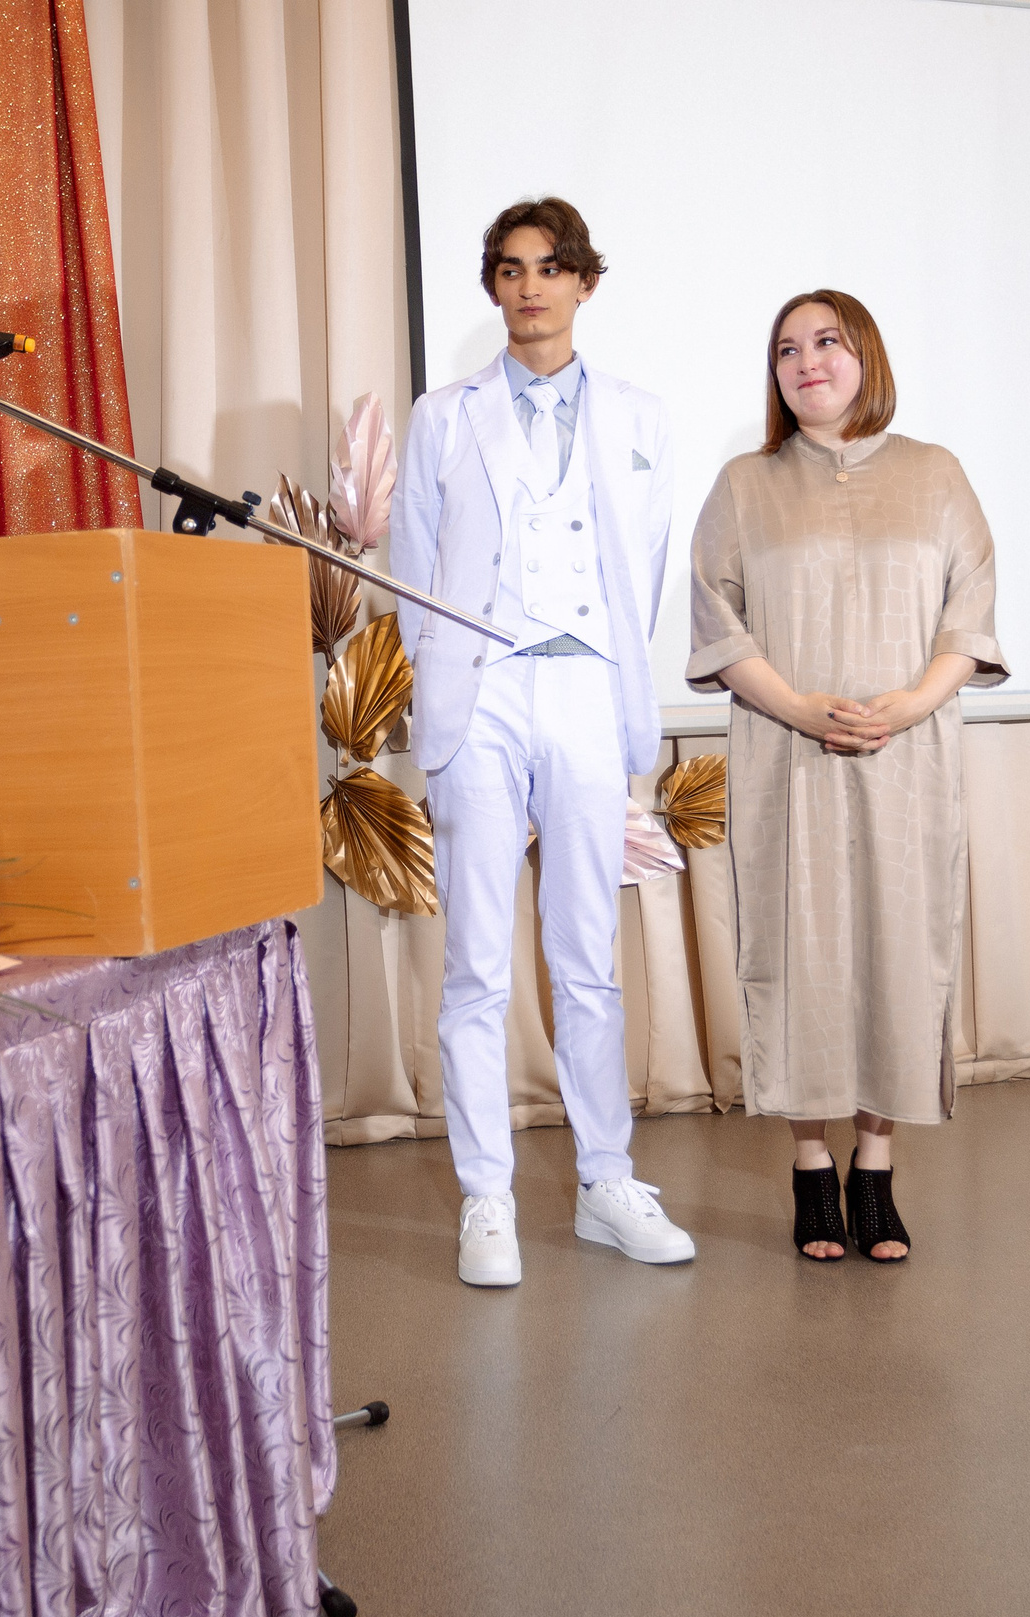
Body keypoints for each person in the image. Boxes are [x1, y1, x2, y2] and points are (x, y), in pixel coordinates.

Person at [388, 198, 697, 1287]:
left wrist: (613, 679)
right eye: (511, 270)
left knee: (587, 961)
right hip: (481, 695)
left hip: (583, 687)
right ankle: (486, 1199)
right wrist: (440, 705)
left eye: (549, 268)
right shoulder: (443, 416)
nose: (529, 287)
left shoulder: (639, 416)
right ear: (493, 287)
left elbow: (641, 570)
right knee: (475, 960)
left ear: (583, 284)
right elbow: (415, 578)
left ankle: (607, 1181)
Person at [686, 290, 1005, 1263]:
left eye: (826, 341)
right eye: (786, 348)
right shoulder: (745, 485)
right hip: (790, 759)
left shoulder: (936, 475)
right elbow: (717, 623)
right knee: (801, 953)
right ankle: (810, 1169)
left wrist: (907, 706)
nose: (806, 361)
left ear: (865, 355)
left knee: (898, 952)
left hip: (908, 757)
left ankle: (876, 1167)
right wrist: (799, 707)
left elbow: (969, 614)